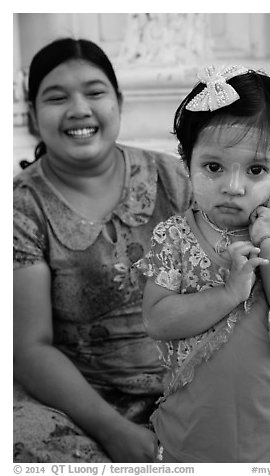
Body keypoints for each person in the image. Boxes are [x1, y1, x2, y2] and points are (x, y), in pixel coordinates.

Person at [13, 37, 191, 463]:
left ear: (119, 102)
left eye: (95, 93)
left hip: (196, 380)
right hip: (86, 402)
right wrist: (114, 432)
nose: (79, 109)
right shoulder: (22, 208)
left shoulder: (173, 176)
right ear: (34, 115)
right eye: (57, 98)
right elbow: (30, 348)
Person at [135, 65, 270, 463]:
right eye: (214, 167)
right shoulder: (174, 237)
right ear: (187, 160)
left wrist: (269, 244)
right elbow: (157, 321)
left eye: (256, 170)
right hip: (189, 441)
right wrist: (230, 292)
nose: (234, 187)